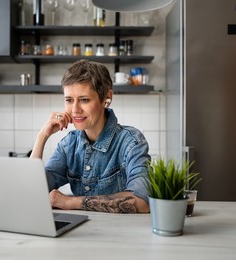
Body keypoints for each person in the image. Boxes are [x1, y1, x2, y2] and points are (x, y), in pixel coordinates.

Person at [31, 59, 151, 213]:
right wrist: (42, 136)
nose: (75, 110)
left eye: (84, 100)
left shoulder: (131, 141)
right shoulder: (69, 144)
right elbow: (33, 191)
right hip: (80, 232)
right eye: (69, 100)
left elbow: (143, 201)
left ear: (107, 98)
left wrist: (71, 202)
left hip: (121, 233)